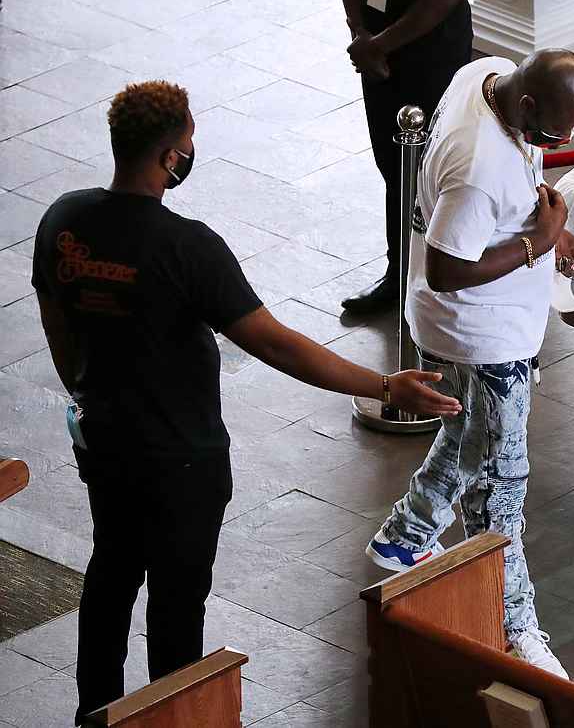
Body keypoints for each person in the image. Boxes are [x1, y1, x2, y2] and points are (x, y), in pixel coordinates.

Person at [30, 80, 462, 725]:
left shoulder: (65, 221)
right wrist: (383, 385)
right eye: (189, 146)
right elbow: (278, 345)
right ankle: (172, 718)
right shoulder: (187, 246)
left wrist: (87, 393)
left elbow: (56, 320)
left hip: (106, 443)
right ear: (171, 156)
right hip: (183, 460)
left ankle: (95, 712)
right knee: (176, 602)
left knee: (111, 572)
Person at [364, 50, 574, 679]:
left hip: (486, 332)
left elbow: (511, 197)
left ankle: (405, 537)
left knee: (469, 438)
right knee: (502, 488)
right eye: (551, 133)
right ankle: (515, 629)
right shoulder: (476, 167)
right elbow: (445, 268)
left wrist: (549, 237)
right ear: (524, 106)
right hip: (483, 340)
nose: (559, 143)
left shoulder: (482, 73)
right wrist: (534, 244)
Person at [340, 0, 473, 315]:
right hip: (373, 37)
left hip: (431, 42)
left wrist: (377, 45)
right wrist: (359, 29)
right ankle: (398, 273)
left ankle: (436, 274)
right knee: (392, 162)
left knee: (429, 164)